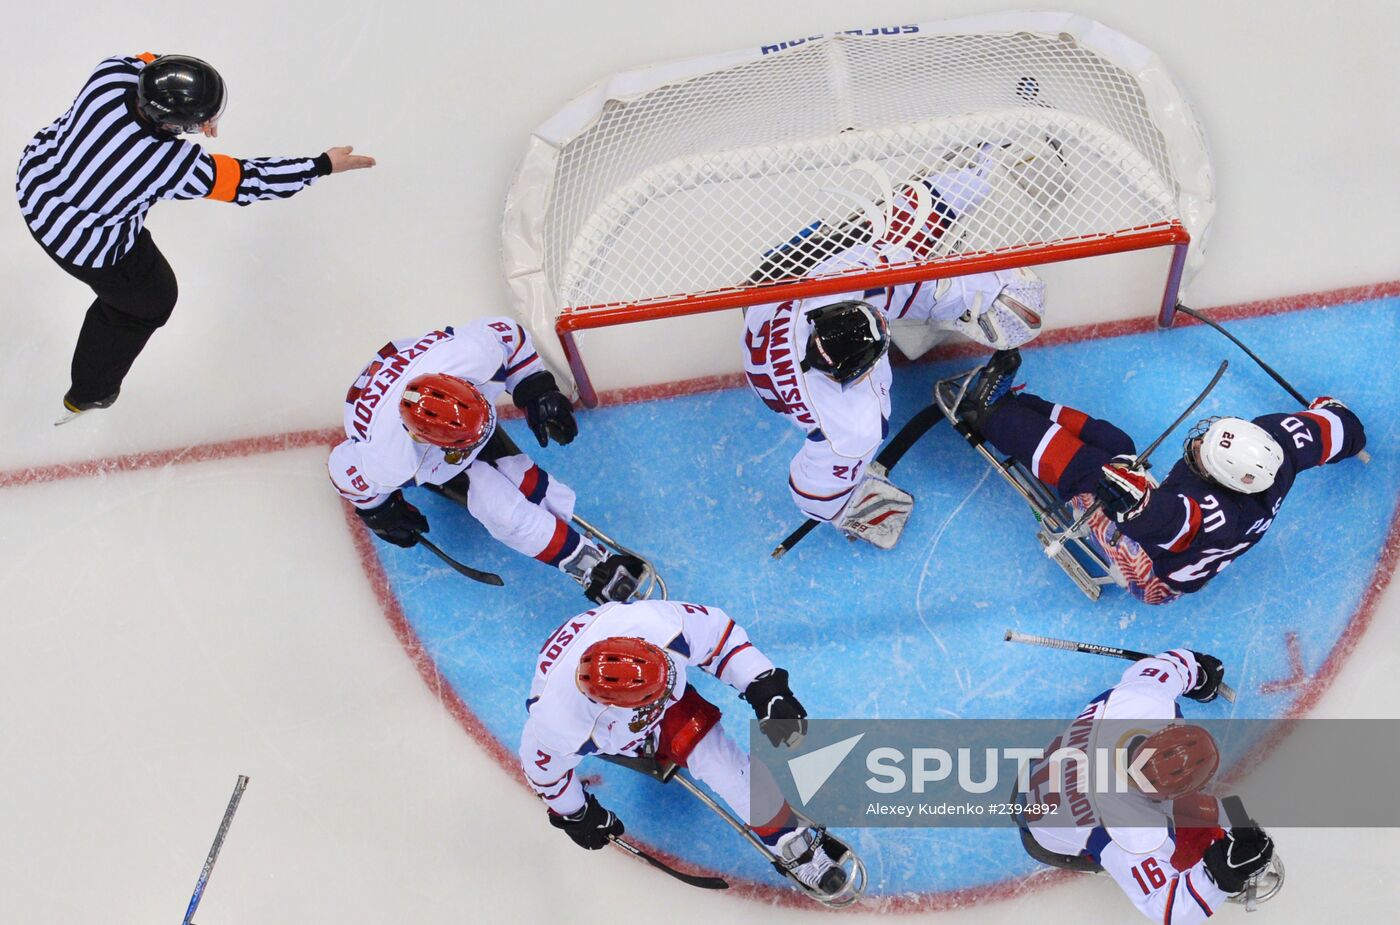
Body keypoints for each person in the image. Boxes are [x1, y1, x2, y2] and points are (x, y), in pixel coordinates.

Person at [17, 53, 375, 419]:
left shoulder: (109, 76)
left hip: (37, 181)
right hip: (80, 241)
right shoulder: (168, 163)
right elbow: (248, 181)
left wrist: (189, 109)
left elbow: (150, 62)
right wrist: (322, 165)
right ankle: (89, 393)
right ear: (174, 125)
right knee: (151, 301)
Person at [742, 144, 1052, 547]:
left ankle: (971, 175)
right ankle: (973, 173)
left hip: (763, 305)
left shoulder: (835, 289)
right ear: (857, 372)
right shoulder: (854, 424)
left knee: (890, 254)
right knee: (906, 278)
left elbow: (900, 267)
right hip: (784, 373)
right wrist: (837, 505)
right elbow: (813, 492)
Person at [951, 348, 1366, 602]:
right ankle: (1021, 407)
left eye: (1204, 456)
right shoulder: (1273, 448)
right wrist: (1340, 416)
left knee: (1090, 473)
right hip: (1176, 534)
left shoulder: (1213, 511)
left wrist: (1135, 505)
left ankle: (990, 416)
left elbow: (1172, 523)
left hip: (1154, 570)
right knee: (1117, 441)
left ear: (1222, 480)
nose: (1200, 443)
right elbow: (1333, 428)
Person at [518, 598, 857, 903]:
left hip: (630, 698)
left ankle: (786, 838)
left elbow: (720, 638)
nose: (670, 687)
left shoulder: (654, 623)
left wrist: (764, 686)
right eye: (658, 694)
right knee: (691, 750)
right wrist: (577, 813)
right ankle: (642, 739)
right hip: (615, 727)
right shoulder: (560, 724)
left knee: (724, 766)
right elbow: (544, 773)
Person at [328, 319, 645, 603]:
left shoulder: (473, 357)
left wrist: (536, 390)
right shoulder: (389, 459)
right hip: (411, 437)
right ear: (423, 440)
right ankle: (585, 562)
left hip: (425, 387)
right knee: (501, 512)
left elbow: (512, 337)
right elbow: (343, 468)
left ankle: (571, 543)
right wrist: (381, 511)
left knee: (516, 475)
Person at [1014, 647, 1281, 921]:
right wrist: (1221, 876)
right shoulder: (1130, 835)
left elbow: (1173, 663)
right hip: (1045, 837)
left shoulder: (1140, 701)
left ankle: (1222, 827)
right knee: (1184, 844)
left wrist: (1200, 673)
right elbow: (1169, 910)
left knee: (1189, 812)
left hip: (1044, 774)